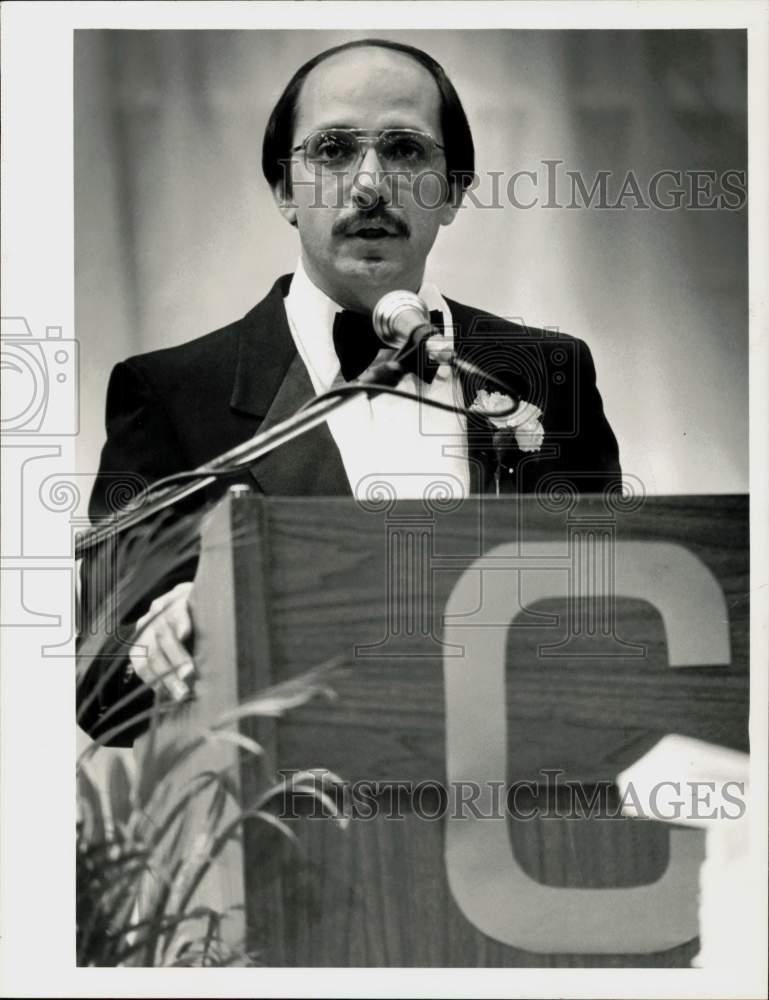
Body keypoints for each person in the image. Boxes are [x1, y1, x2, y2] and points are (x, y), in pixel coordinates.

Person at [78, 38, 621, 744]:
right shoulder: (172, 394)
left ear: (452, 191)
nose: (369, 183)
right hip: (280, 822)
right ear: (284, 190)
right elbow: (97, 685)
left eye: (404, 150)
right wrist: (186, 632)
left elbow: (608, 615)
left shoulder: (546, 374)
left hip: (507, 814)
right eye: (333, 150)